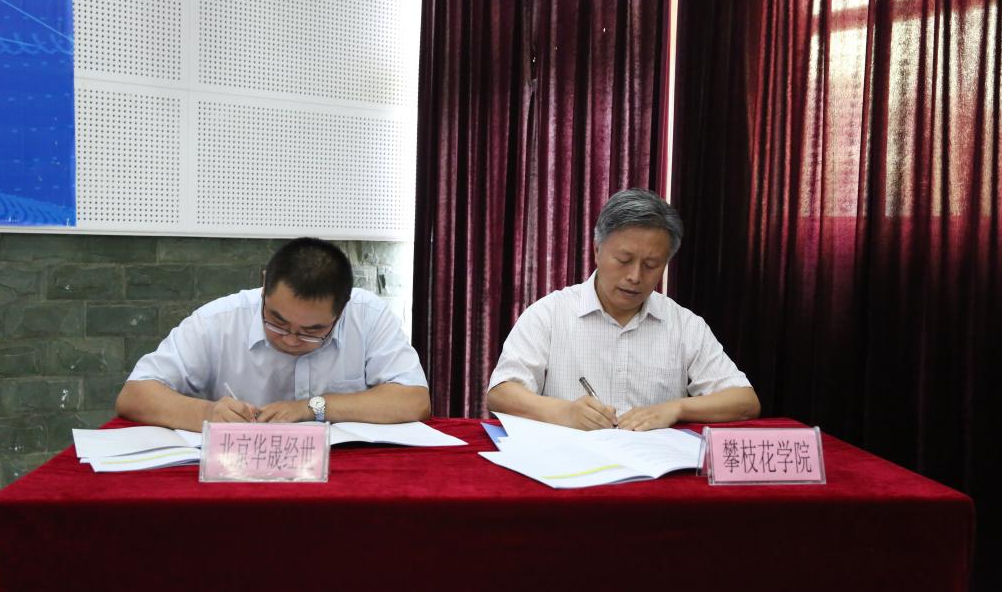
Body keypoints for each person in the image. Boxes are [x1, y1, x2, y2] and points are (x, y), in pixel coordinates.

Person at [486, 188, 759, 431]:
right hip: (568, 464)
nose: (635, 276)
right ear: (597, 250)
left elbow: (745, 401)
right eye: (624, 260)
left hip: (652, 467)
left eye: (651, 265)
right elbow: (501, 393)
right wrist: (564, 412)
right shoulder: (549, 314)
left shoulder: (684, 324)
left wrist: (675, 408)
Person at [116, 237, 430, 431]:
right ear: (264, 287)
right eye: (277, 322)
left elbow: (413, 400)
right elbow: (135, 394)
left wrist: (312, 407)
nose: (291, 339)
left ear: (343, 309)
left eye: (313, 331)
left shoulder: (368, 316)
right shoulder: (220, 320)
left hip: (343, 475)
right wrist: (207, 412)